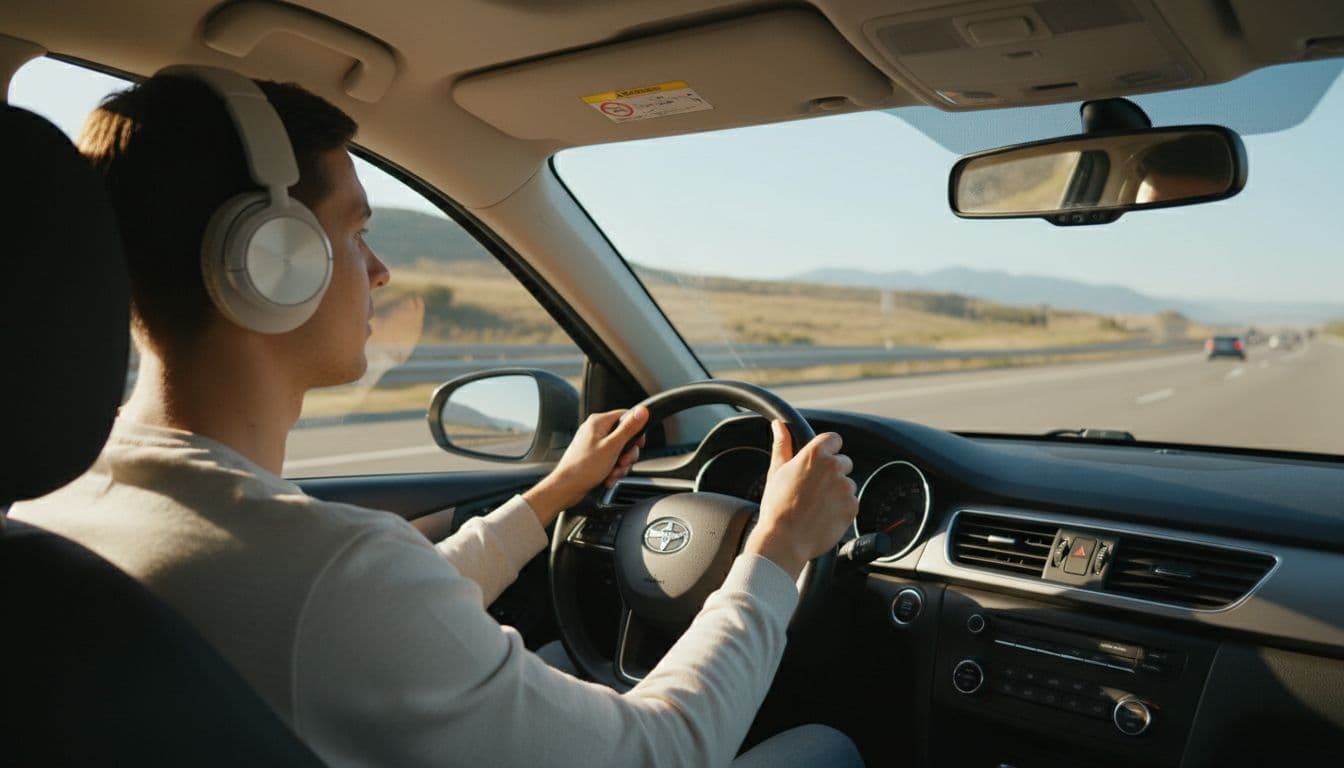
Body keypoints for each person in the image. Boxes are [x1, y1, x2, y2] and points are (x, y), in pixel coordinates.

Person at [11, 68, 863, 767]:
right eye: (354, 234)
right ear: (270, 262)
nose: (377, 271)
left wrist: (550, 498)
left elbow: (368, 621)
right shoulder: (330, 574)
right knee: (827, 746)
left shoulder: (60, 507)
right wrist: (775, 551)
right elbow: (661, 752)